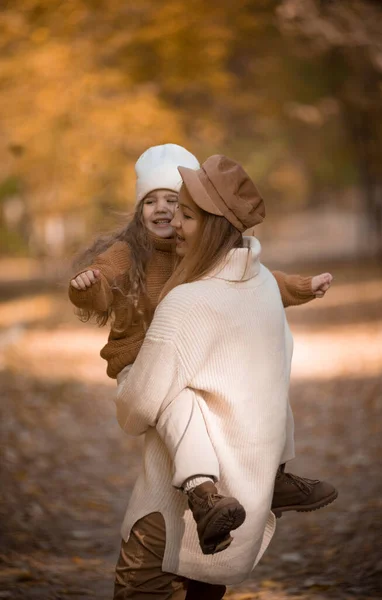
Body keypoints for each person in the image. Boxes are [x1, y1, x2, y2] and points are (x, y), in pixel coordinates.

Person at [68, 145, 336, 554]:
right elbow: (102, 285)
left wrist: (302, 286)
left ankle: (276, 472)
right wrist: (87, 287)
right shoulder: (128, 252)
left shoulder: (196, 250)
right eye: (150, 201)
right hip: (141, 364)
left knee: (268, 374)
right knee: (181, 409)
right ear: (138, 208)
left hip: (194, 359)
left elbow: (259, 280)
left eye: (174, 203)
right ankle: (202, 493)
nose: (162, 211)